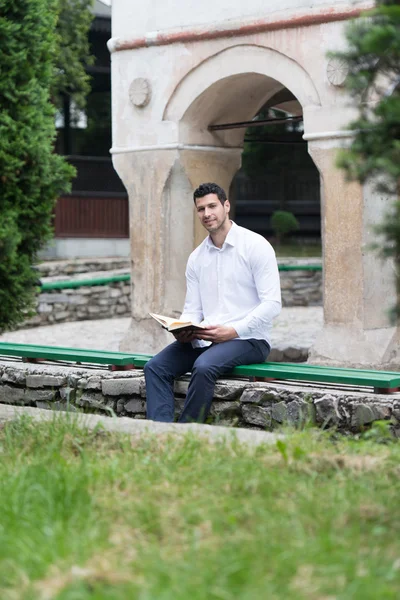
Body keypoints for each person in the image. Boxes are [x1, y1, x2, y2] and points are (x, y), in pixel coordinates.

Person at [144, 182, 281, 423]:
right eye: (201, 209)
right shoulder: (197, 258)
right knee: (155, 367)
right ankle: (160, 432)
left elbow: (272, 304)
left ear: (226, 206)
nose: (207, 214)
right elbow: (193, 309)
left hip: (249, 339)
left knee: (205, 366)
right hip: (206, 339)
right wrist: (186, 330)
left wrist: (233, 331)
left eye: (212, 206)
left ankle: (186, 433)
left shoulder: (256, 246)